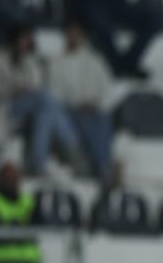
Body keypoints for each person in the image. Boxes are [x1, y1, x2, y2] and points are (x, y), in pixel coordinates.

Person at [0, 25, 80, 176]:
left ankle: (37, 162)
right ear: (15, 39)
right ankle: (71, 146)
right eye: (24, 39)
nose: (27, 43)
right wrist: (12, 89)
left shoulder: (29, 60)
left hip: (25, 109)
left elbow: (36, 84)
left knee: (46, 111)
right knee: (45, 99)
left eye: (29, 40)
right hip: (3, 107)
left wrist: (25, 89)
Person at [48, 21, 114, 184]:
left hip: (96, 109)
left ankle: (103, 166)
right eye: (71, 34)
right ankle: (102, 167)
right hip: (71, 109)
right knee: (84, 118)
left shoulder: (96, 60)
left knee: (102, 119)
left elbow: (107, 88)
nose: (74, 37)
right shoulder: (57, 62)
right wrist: (79, 103)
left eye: (77, 34)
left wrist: (96, 103)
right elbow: (55, 93)